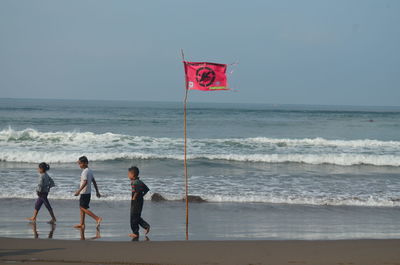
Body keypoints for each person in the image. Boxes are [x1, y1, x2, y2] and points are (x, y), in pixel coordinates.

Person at [73, 156, 102, 229]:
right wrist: (97, 192)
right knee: (82, 208)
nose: (79, 165)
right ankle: (82, 224)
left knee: (83, 208)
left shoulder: (84, 172)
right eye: (79, 163)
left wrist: (78, 191)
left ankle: (97, 218)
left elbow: (85, 182)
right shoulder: (90, 171)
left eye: (80, 163)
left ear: (85, 163)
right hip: (88, 192)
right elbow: (94, 181)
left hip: (84, 192)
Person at [128, 166, 150, 238]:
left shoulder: (134, 183)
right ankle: (146, 226)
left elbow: (137, 190)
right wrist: (142, 195)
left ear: (133, 175)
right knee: (137, 216)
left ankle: (135, 233)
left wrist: (134, 197)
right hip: (140, 201)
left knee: (133, 217)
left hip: (136, 202)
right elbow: (146, 189)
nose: (128, 175)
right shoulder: (140, 181)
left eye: (129, 174)